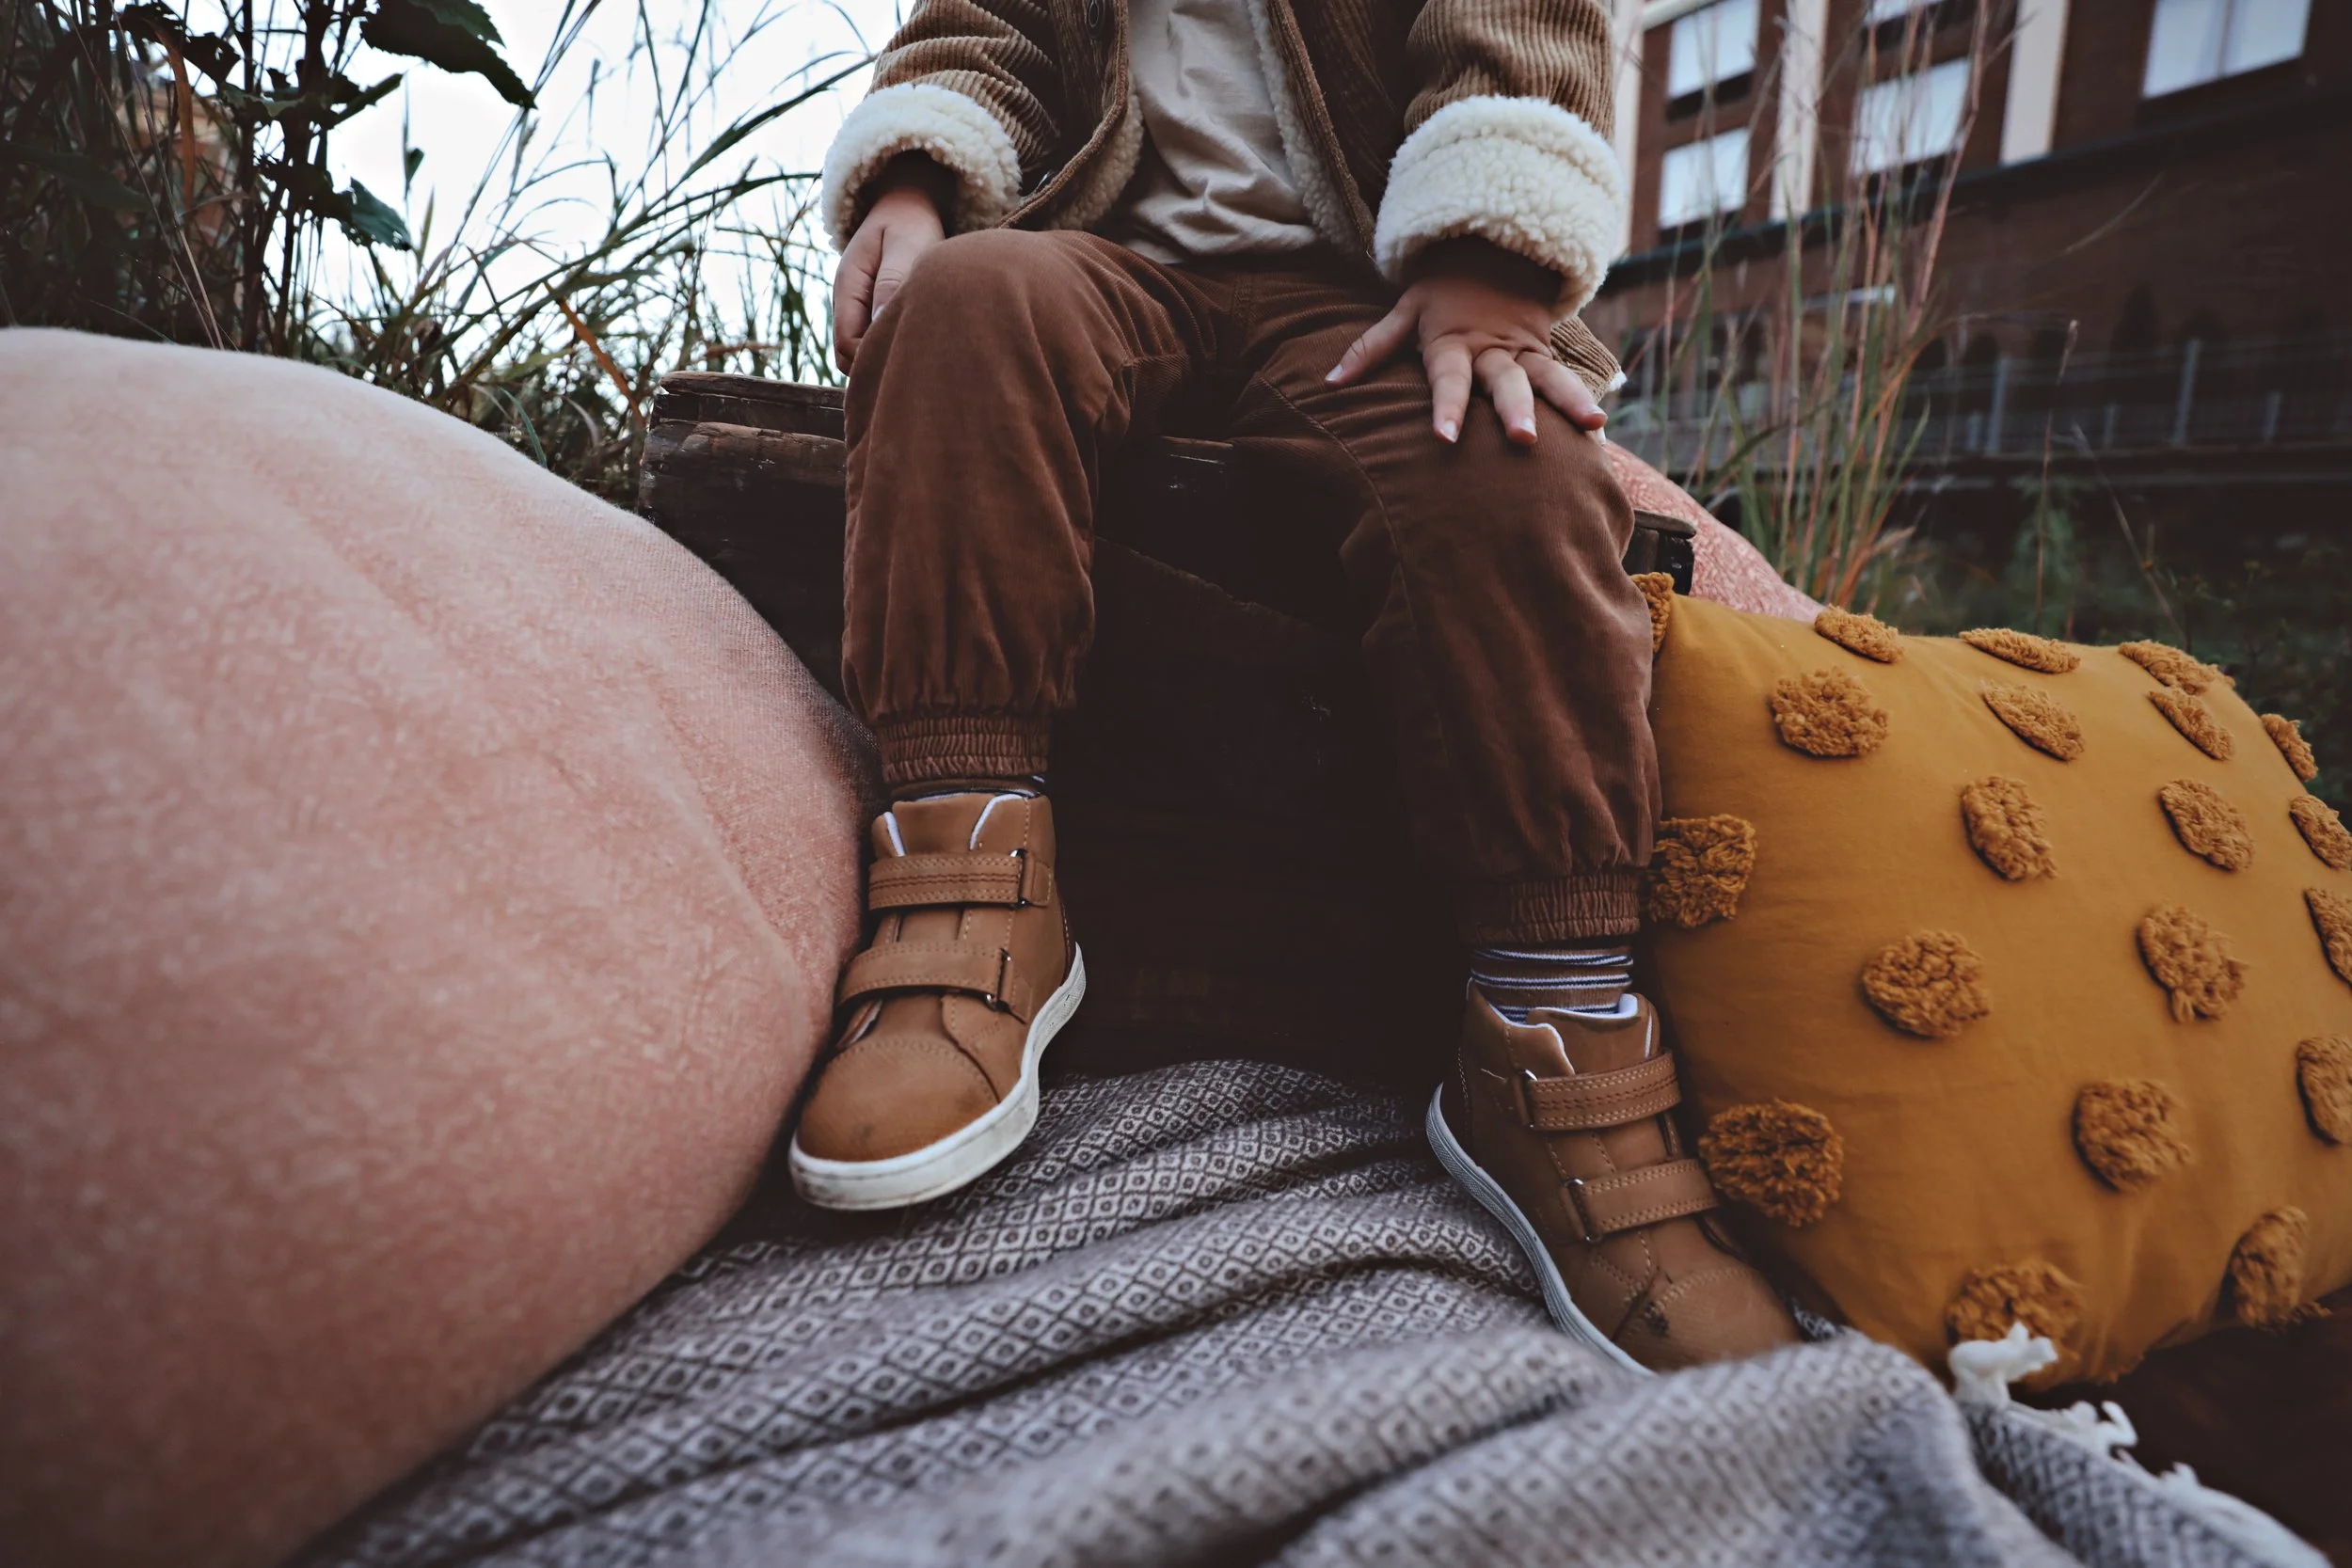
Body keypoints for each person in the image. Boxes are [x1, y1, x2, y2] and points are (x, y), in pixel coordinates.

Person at [785, 0, 1801, 1370]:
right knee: (962, 303)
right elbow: (985, 26)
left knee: (1505, 463)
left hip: (1372, 289)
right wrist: (913, 180)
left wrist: (1488, 252)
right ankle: (970, 873)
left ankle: (1554, 1026)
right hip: (1098, 257)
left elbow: (1517, 26)